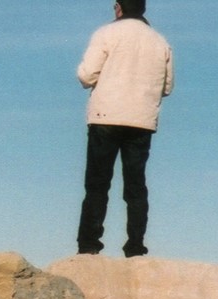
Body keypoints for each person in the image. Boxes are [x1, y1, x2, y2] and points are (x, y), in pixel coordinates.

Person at [75, 0, 173, 258]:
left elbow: (87, 75)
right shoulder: (160, 41)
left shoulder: (106, 33)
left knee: (97, 184)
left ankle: (89, 245)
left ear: (118, 7)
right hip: (141, 119)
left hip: (105, 115)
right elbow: (167, 86)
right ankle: (135, 246)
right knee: (136, 185)